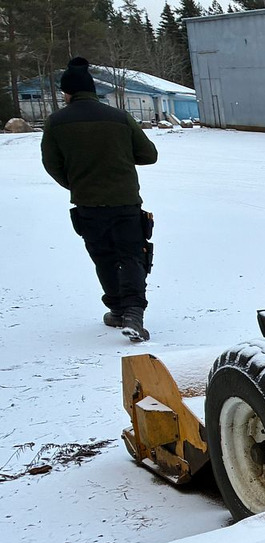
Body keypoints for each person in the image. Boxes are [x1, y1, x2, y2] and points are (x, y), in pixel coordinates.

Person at [40, 57, 158, 342]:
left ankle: (118, 309)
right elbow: (148, 155)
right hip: (125, 201)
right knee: (131, 255)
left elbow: (52, 164)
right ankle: (133, 313)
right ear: (92, 89)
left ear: (67, 93)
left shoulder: (56, 123)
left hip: (88, 204)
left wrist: (77, 183)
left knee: (103, 256)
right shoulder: (118, 118)